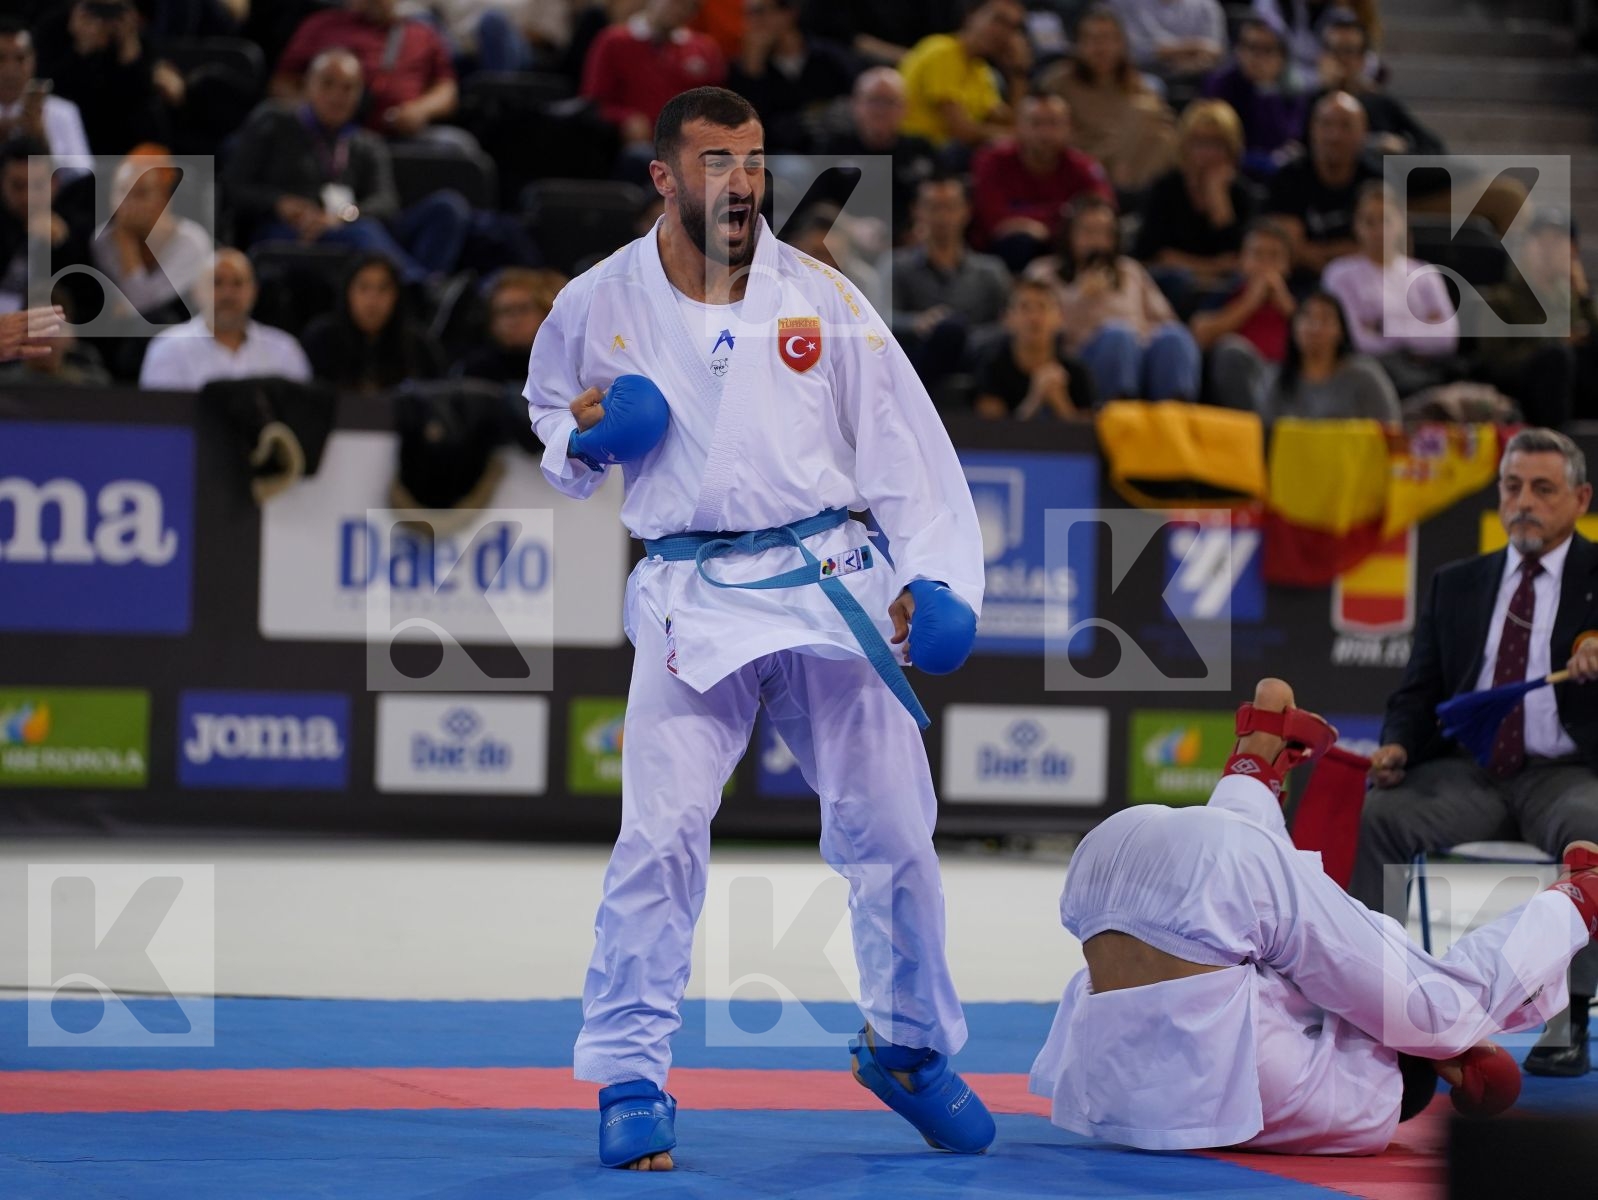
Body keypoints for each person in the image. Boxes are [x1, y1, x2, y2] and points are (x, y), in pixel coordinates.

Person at [525, 86, 993, 1171]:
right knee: (659, 835)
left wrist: (940, 578)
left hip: (828, 580)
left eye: (753, 160)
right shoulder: (597, 301)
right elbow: (550, 406)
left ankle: (909, 1047)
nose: (740, 182)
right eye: (715, 162)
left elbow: (907, 452)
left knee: (893, 832)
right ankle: (632, 1072)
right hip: (691, 596)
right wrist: (585, 441)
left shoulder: (822, 298)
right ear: (663, 176)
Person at [1031, 674, 1598, 1154]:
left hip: (1172, 874)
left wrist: (1456, 1043)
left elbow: (1417, 1017)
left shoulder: (1345, 1097)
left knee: (1432, 1009)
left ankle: (1579, 898)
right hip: (1113, 875)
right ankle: (1252, 770)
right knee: (1258, 909)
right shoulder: (1297, 1085)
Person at [1357, 427, 1598, 1079]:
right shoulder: (1457, 583)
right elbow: (1420, 689)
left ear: (1580, 499)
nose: (1524, 502)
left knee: (1593, 829)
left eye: (1542, 489)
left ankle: (1568, 1016)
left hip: (1568, 772)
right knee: (1379, 816)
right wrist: (1398, 745)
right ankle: (1369, 998)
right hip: (1471, 774)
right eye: (1512, 486)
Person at [223, 50, 471, 286]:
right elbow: (233, 186)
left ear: (360, 94)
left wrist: (343, 216)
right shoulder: (273, 123)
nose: (337, 95)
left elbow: (386, 202)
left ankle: (423, 286)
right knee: (363, 232)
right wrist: (279, 202)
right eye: (328, 83)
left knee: (448, 207)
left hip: (348, 224)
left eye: (348, 87)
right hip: (291, 231)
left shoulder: (367, 143)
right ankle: (418, 288)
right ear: (308, 85)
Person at [1026, 193, 1200, 400]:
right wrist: (1079, 295)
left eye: (1105, 233)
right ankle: (1118, 416)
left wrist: (1142, 340)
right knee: (1119, 336)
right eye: (1088, 232)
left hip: (1140, 358)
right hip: (1079, 365)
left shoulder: (1130, 271)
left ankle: (1174, 418)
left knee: (1175, 336)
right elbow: (1037, 329)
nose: (1097, 242)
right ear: (1069, 234)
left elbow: (1165, 319)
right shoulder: (1044, 272)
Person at [1322, 181, 1459, 397]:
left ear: (1401, 223)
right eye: (1369, 222)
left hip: (1425, 376)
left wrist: (1384, 326)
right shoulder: (1339, 274)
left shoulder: (1425, 274)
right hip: (1367, 376)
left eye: (1386, 220)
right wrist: (1421, 327)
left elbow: (1447, 337)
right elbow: (1358, 340)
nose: (1379, 231)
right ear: (1356, 226)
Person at [1134, 98, 1262, 317]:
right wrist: (1215, 267)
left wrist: (1219, 201)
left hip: (1226, 292)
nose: (1207, 154)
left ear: (1232, 150)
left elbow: (1242, 259)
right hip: (1170, 287)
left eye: (1217, 144)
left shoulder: (1243, 194)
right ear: (1184, 147)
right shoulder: (1165, 189)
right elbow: (1155, 255)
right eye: (1199, 143)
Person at [273, 0, 465, 146]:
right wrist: (318, 109)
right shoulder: (322, 24)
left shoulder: (422, 33)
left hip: (399, 137)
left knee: (458, 145)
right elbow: (282, 83)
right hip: (326, 138)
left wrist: (419, 110)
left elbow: (447, 90)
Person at [1474, 210, 1596, 429]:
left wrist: (1583, 296)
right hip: (1524, 393)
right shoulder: (1502, 299)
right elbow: (1496, 364)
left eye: (1558, 242)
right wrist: (1556, 342)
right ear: (1526, 247)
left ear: (1573, 252)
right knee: (1557, 357)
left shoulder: (1576, 301)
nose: (1548, 251)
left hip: (1576, 393)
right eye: (1541, 241)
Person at [1037, 5, 1176, 196]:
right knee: (1144, 112)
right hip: (1081, 162)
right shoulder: (1058, 82)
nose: (1101, 48)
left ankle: (1130, 198)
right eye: (1092, 39)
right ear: (1078, 45)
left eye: (1108, 39)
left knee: (1161, 134)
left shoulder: (1135, 84)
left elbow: (1163, 121)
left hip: (1129, 167)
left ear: (1121, 44)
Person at [969, 94, 1114, 274]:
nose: (1045, 134)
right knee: (1019, 242)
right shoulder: (992, 161)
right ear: (1018, 127)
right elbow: (994, 219)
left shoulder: (1084, 166)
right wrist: (1062, 215)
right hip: (1001, 256)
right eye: (1036, 124)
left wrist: (1037, 225)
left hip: (1067, 252)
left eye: (1054, 123)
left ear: (1069, 127)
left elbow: (1102, 210)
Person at [889, 174, 1011, 388]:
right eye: (933, 207)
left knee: (953, 331)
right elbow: (880, 318)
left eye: (950, 207)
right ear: (916, 211)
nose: (942, 216)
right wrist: (918, 322)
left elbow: (1007, 323)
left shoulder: (991, 270)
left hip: (975, 358)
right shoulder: (897, 265)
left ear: (966, 211)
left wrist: (962, 333)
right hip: (918, 355)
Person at [139, 248, 313, 391]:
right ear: (196, 291)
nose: (228, 294)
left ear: (254, 291)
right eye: (217, 282)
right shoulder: (168, 349)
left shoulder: (285, 351)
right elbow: (160, 420)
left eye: (237, 283)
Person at [581, 0, 728, 162]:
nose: (681, 9)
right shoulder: (613, 40)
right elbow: (593, 104)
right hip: (630, 148)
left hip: (689, 149)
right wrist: (626, 118)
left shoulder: (706, 49)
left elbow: (716, 108)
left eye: (690, 5)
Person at [810, 67, 937, 247]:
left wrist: (924, 226)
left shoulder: (921, 150)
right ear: (855, 104)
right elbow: (816, 203)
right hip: (847, 243)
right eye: (873, 100)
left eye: (890, 102)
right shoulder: (835, 146)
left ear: (905, 108)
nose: (881, 110)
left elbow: (940, 196)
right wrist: (850, 226)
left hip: (910, 246)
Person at [89, 145, 212, 328]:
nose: (126, 203)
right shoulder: (103, 240)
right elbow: (113, 313)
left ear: (164, 198)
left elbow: (142, 307)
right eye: (121, 190)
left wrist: (126, 244)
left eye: (140, 193)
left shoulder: (192, 242)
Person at [1265, 89, 1379, 281]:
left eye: (1346, 126)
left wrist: (1317, 251)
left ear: (1363, 133)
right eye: (1326, 124)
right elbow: (1289, 249)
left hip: (1364, 284)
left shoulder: (1376, 181)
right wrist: (1347, 251)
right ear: (1312, 129)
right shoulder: (1288, 177)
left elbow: (1381, 249)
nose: (1334, 136)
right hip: (1296, 284)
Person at [30, 1, 171, 155]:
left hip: (123, 130)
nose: (105, 16)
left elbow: (142, 96)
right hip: (75, 126)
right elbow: (49, 89)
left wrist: (129, 53)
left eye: (113, 9)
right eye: (96, 8)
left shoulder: (133, 30)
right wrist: (81, 50)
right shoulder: (55, 26)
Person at [301, 251, 445, 392]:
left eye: (383, 289)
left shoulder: (417, 344)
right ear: (348, 293)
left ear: (396, 295)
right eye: (363, 288)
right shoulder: (321, 340)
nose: (372, 301)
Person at [896, 0, 1030, 151]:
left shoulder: (981, 70)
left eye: (1012, 28)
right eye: (998, 20)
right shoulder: (942, 51)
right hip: (915, 152)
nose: (1002, 32)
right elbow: (962, 131)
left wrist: (1018, 72)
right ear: (971, 16)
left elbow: (1012, 121)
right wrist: (1022, 136)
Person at [1192, 217, 1295, 409]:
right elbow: (1200, 334)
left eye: (1274, 256)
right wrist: (1250, 302)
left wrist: (1287, 307)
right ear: (1242, 261)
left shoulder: (1300, 302)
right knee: (1231, 350)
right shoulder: (1224, 294)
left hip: (1287, 381)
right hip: (1245, 381)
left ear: (1287, 265)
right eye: (1257, 255)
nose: (1265, 264)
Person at [726, 0, 856, 151]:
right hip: (780, 154)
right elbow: (748, 130)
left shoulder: (829, 57)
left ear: (788, 13)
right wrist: (754, 70)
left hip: (834, 146)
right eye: (748, 15)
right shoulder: (744, 68)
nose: (751, 22)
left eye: (759, 12)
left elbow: (856, 101)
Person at [1260, 287, 1397, 420]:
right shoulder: (1275, 378)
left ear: (1341, 330)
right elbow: (1264, 434)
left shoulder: (1365, 376)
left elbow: (1390, 429)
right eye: (1307, 317)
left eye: (1325, 319)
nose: (1315, 327)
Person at [972, 276, 1098, 419]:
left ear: (1059, 318)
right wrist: (1033, 400)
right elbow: (989, 434)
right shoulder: (991, 367)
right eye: (1025, 307)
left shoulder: (1076, 371)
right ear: (1008, 318)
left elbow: (1084, 436)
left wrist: (1061, 404)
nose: (1034, 317)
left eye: (1042, 307)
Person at [1201, 16, 1305, 178]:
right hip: (1227, 170)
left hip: (1276, 175)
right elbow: (1216, 139)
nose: (1257, 57)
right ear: (1238, 51)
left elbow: (1284, 140)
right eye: (1251, 47)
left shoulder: (1292, 90)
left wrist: (1266, 89)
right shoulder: (1220, 84)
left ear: (1282, 58)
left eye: (1267, 50)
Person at [450, 266, 566, 385]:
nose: (513, 320)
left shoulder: (570, 363)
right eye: (504, 311)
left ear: (548, 311)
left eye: (523, 309)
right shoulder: (475, 372)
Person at [0, 19, 90, 163]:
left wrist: (41, 140)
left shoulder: (63, 113)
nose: (10, 70)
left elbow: (83, 177)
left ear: (33, 60)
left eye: (20, 58)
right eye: (0, 59)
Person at [1112, 0, 1228, 104]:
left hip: (1198, 76)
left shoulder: (1206, 5)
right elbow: (1134, 51)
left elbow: (1215, 51)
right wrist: (1194, 47)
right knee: (1150, 86)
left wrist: (1165, 53)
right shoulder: (1127, 3)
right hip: (1146, 73)